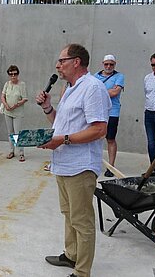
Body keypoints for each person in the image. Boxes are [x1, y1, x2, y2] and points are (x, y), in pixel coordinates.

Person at [36, 43, 111, 277]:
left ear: (76, 62)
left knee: (82, 221)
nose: (58, 65)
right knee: (69, 215)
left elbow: (99, 130)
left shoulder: (93, 88)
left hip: (80, 166)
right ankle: (71, 255)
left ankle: (82, 271)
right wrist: (48, 108)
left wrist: (63, 140)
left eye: (62, 61)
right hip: (64, 163)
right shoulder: (69, 88)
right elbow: (61, 124)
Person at [94, 54, 125, 177]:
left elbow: (115, 92)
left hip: (112, 112)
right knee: (94, 138)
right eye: (106, 64)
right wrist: (108, 91)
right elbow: (110, 92)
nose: (108, 66)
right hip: (97, 111)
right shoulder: (95, 76)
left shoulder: (119, 76)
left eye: (111, 64)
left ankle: (111, 167)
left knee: (110, 139)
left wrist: (98, 92)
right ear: (103, 64)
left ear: (114, 65)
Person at [0, 65, 28, 162]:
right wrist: (6, 105)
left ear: (18, 74)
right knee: (10, 133)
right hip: (7, 111)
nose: (13, 76)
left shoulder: (22, 84)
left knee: (18, 133)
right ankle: (11, 151)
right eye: (11, 74)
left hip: (17, 112)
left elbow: (25, 98)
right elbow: (2, 96)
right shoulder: (7, 84)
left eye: (15, 74)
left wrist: (16, 105)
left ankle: (21, 153)